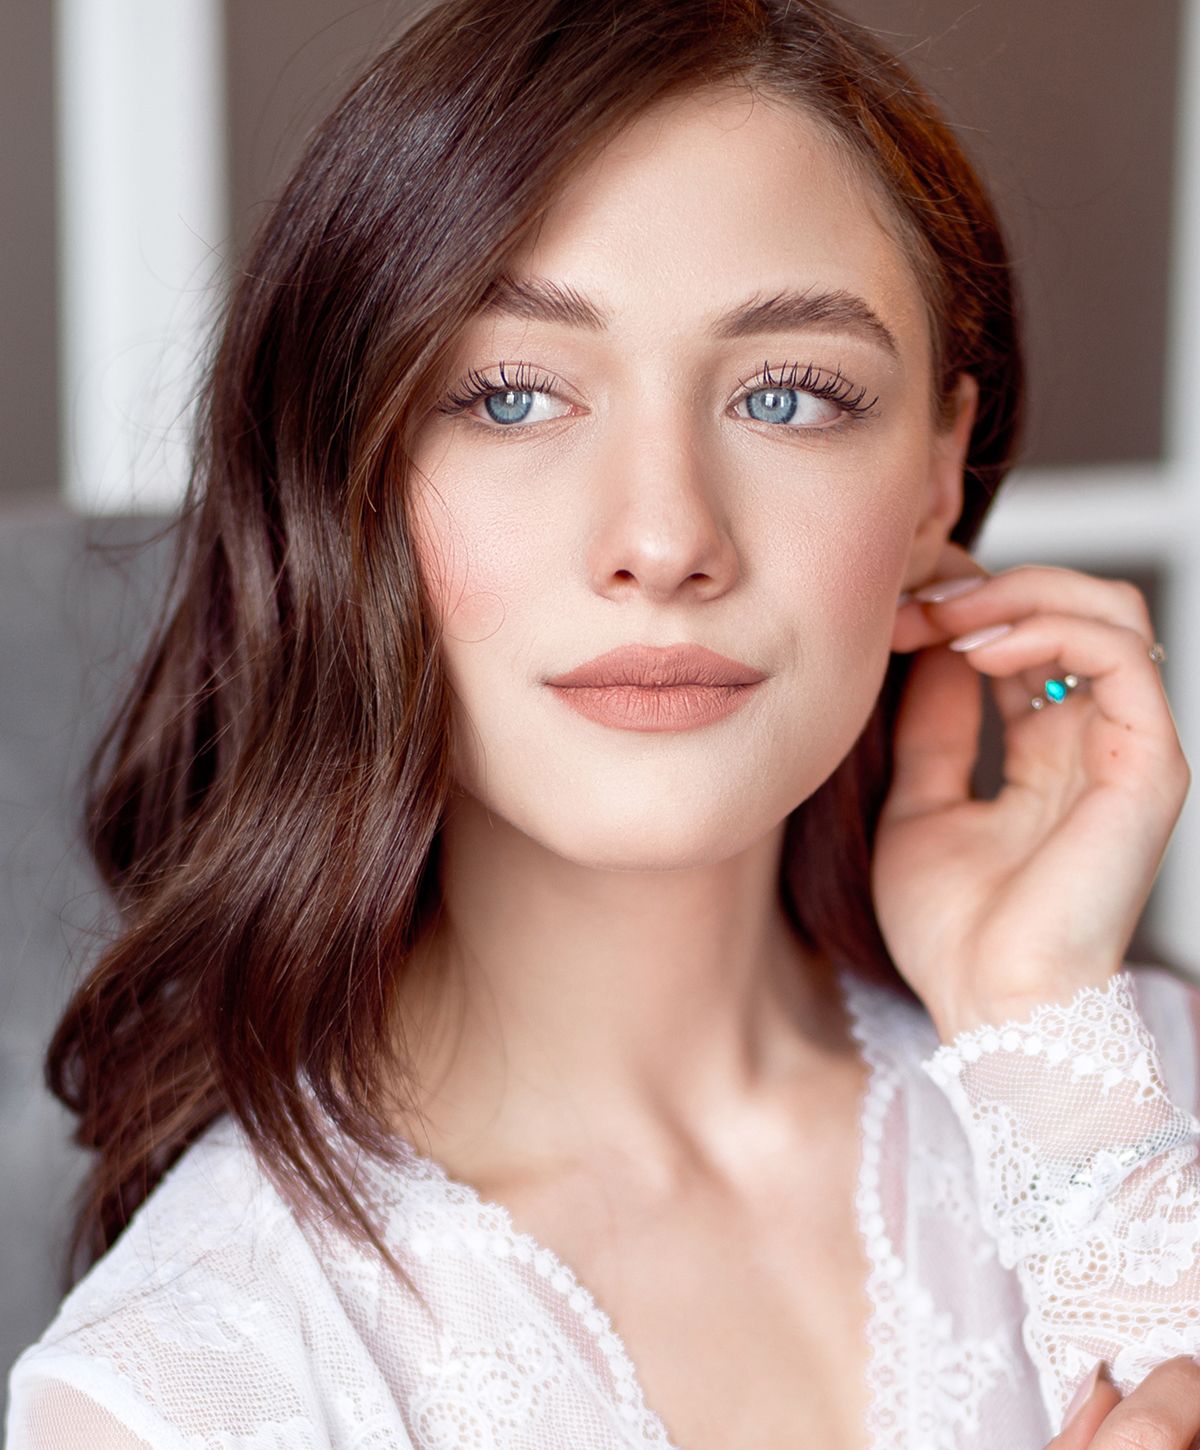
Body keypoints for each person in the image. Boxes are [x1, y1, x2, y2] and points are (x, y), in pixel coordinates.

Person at [6, 0, 1200, 1445]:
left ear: (939, 473)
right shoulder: (195, 1379)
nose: (663, 535)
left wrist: (1042, 1025)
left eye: (789, 393)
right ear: (348, 479)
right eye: (510, 396)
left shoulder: (1131, 1085)